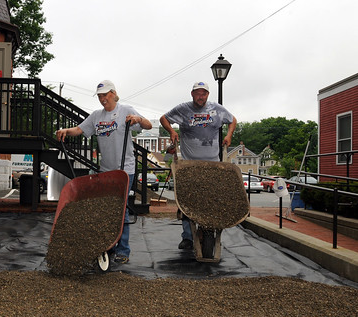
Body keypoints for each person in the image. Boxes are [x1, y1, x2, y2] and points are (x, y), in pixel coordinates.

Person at [56, 80, 152, 263]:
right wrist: (66, 131)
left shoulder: (125, 110)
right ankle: (109, 245)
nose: (102, 99)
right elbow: (80, 129)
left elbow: (147, 125)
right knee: (106, 209)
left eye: (105, 95)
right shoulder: (96, 116)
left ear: (113, 94)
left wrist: (137, 119)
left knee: (120, 208)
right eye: (99, 96)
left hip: (125, 169)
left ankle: (123, 250)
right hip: (106, 170)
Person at [160, 81, 237, 250]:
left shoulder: (217, 109)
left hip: (212, 165)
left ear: (207, 95)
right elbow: (163, 118)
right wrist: (172, 131)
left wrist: (229, 135)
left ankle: (208, 229)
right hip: (189, 165)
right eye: (197, 93)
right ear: (192, 94)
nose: (200, 96)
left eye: (203, 93)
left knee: (210, 200)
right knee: (188, 201)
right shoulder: (183, 109)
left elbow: (233, 120)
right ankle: (188, 236)